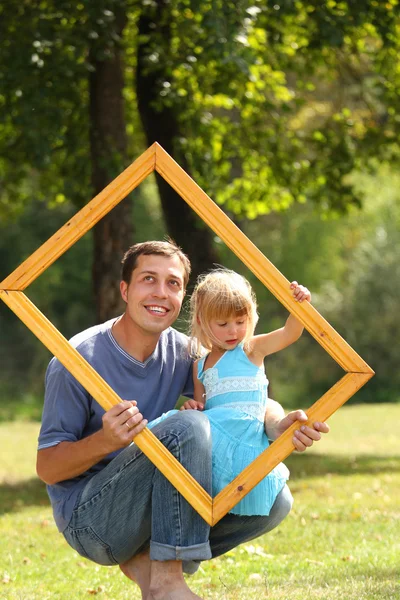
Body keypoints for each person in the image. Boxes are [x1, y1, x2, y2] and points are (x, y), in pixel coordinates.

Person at [36, 240, 329, 600]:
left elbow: (240, 397)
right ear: (125, 290)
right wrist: (106, 441)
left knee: (273, 499)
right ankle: (168, 583)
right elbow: (48, 468)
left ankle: (153, 570)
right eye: (148, 279)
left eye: (173, 283)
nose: (161, 292)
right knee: (188, 425)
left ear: (184, 298)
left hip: (150, 511)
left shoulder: (190, 354)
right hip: (92, 520)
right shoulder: (78, 359)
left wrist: (277, 425)